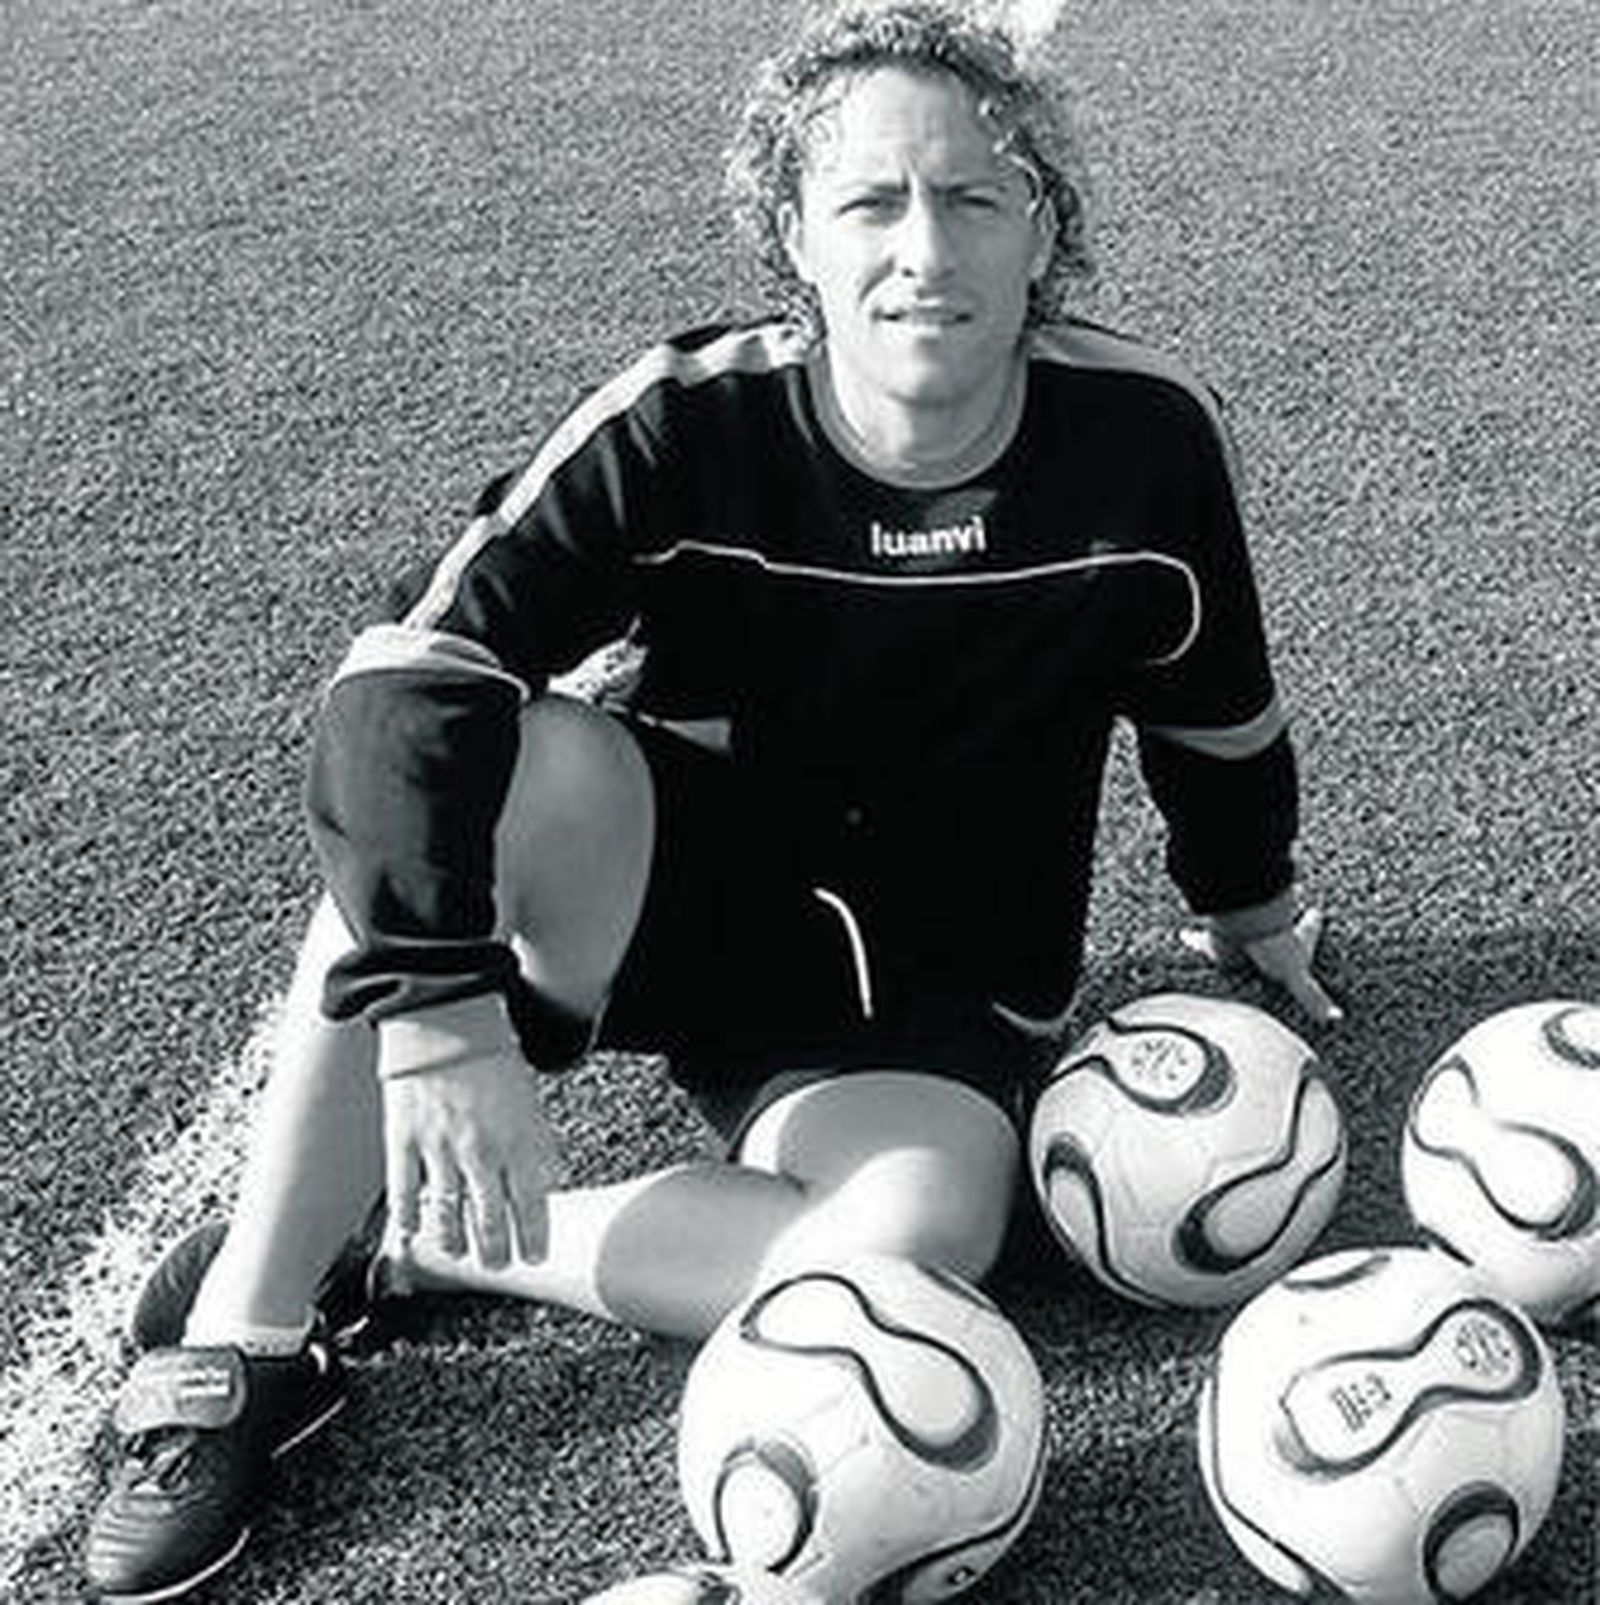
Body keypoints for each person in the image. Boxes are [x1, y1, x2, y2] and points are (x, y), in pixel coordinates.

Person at [84, 3, 1341, 1598]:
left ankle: (423, 1242)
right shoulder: (686, 423)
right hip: (702, 900)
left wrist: (1254, 905)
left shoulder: (1145, 442)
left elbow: (1214, 707)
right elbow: (401, 685)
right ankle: (244, 1339)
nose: (922, 250)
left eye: (973, 197)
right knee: (486, 757)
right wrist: (441, 1020)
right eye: (870, 203)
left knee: (918, 1244)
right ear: (794, 239)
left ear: (1044, 231)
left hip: (956, 978)